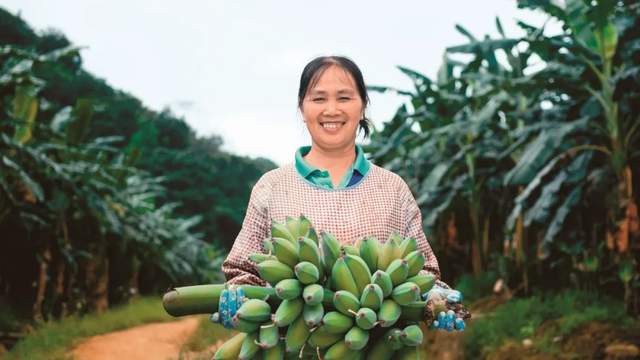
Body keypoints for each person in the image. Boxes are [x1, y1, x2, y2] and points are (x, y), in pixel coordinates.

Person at [221, 55, 469, 330]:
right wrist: (237, 295)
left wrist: (435, 297)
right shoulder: (273, 186)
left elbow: (422, 269)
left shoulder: (392, 188)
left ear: (362, 107)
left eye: (344, 98)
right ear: (302, 109)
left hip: (378, 344)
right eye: (318, 99)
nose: (331, 110)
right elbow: (242, 270)